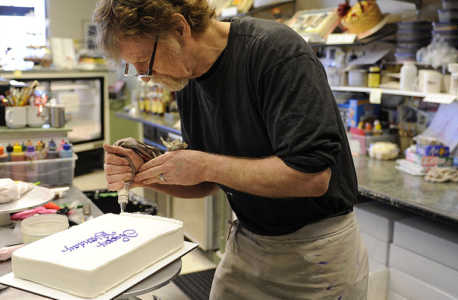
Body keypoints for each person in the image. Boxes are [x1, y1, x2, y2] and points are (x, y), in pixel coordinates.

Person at [95, 0, 368, 298]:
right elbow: (206, 184)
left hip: (316, 257)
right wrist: (142, 174)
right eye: (133, 67)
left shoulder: (274, 52)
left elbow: (312, 177)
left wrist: (203, 164)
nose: (145, 76)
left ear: (179, 28)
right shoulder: (186, 78)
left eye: (145, 60)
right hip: (248, 243)